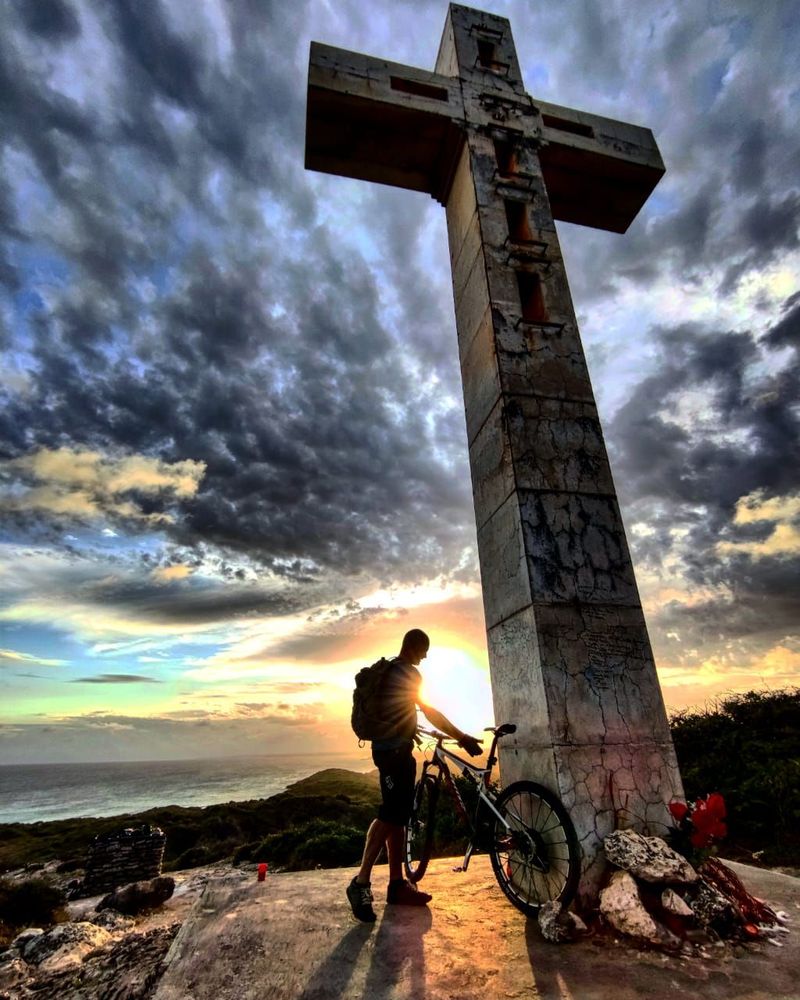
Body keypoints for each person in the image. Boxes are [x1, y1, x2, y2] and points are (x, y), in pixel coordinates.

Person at [346, 628, 482, 923]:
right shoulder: (408, 673)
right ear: (414, 646)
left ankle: (396, 885)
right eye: (424, 649)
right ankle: (360, 883)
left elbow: (400, 713)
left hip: (393, 751)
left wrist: (411, 731)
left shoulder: (392, 670)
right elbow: (428, 710)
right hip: (393, 755)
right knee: (390, 814)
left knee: (398, 815)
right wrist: (461, 736)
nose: (426, 655)